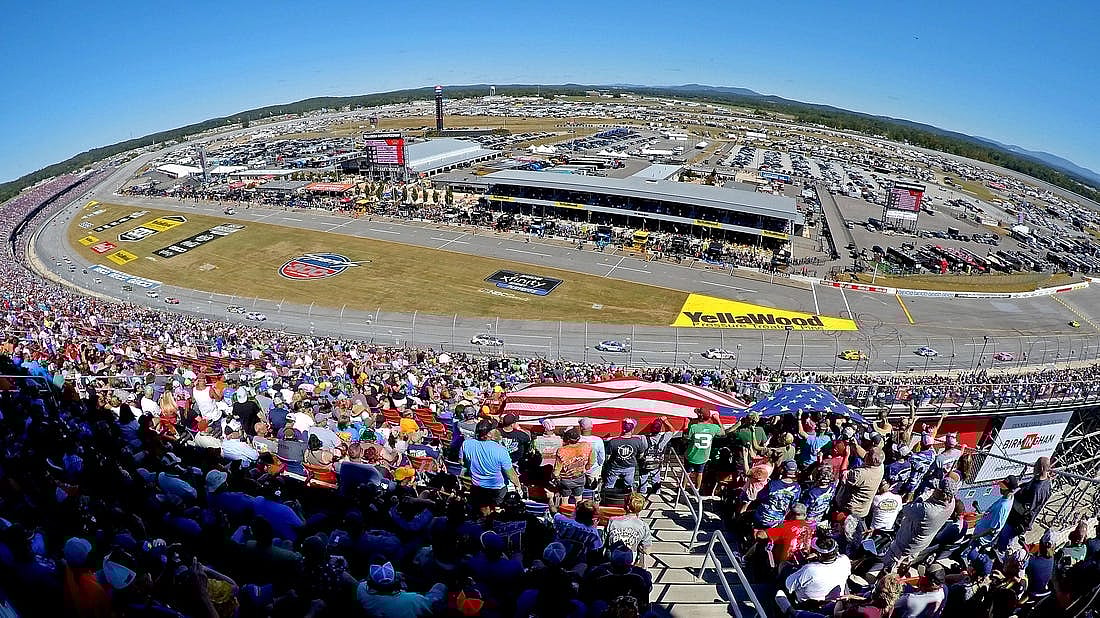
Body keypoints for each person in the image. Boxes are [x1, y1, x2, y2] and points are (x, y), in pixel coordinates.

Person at [882, 476, 958, 571]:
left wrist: (922, 498)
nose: (933, 490)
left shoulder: (926, 510)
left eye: (936, 488)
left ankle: (883, 581)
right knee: (906, 564)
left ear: (940, 493)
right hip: (920, 544)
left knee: (888, 567)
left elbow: (906, 509)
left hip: (904, 544)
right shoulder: (952, 503)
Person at [461, 418, 523, 516]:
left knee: (483, 511)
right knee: (491, 513)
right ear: (490, 433)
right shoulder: (501, 450)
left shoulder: (466, 444)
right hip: (496, 489)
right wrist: (518, 486)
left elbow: (462, 462)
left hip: (477, 487)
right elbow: (511, 474)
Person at [356, 561, 447, 617]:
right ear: (396, 582)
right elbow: (432, 606)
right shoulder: (414, 600)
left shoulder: (361, 589)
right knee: (440, 586)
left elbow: (361, 583)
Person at [999, 456, 1052, 550]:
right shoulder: (1042, 480)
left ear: (1042, 468)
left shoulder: (1038, 489)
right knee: (1006, 538)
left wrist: (1023, 526)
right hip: (1015, 516)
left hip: (1016, 520)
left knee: (1004, 539)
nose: (1034, 467)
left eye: (1036, 465)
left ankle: (1000, 554)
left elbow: (1031, 509)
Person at [784, 537, 851, 607]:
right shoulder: (845, 560)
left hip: (807, 605)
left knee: (783, 565)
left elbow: (788, 585)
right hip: (834, 603)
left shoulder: (809, 570)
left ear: (819, 554)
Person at [836, 448, 885, 520]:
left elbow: (843, 474)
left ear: (869, 459)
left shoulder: (860, 474)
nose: (866, 452)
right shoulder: (880, 466)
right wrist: (856, 446)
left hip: (849, 510)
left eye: (868, 453)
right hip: (863, 510)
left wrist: (846, 456)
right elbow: (866, 456)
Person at [605, 493, 654, 564]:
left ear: (626, 506)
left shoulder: (613, 521)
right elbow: (647, 550)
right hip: (630, 559)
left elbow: (605, 540)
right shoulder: (643, 526)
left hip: (611, 556)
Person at [754, 460, 803, 529]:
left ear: (782, 470)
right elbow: (793, 505)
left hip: (763, 517)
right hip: (778, 521)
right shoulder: (797, 488)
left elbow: (760, 496)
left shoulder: (772, 484)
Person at [971, 474, 1018, 546]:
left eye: (1003, 488)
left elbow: (992, 529)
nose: (1000, 488)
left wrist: (976, 536)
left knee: (968, 553)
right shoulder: (1009, 497)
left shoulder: (1003, 507)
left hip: (981, 537)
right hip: (982, 527)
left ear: (1010, 490)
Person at [833, 572, 903, 618]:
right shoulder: (890, 605)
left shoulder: (861, 611)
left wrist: (840, 600)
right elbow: (871, 601)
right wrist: (851, 597)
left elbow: (837, 614)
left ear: (874, 591)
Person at [554, 428, 595, 506]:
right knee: (579, 499)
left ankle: (565, 515)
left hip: (566, 479)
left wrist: (555, 477)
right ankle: (578, 515)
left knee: (565, 499)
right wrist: (586, 468)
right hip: (580, 477)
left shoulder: (562, 450)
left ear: (567, 438)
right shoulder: (586, 446)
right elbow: (592, 461)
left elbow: (556, 470)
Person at [603, 418, 646, 490]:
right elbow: (641, 455)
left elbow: (607, 457)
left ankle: (607, 498)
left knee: (609, 486)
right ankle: (630, 498)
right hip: (629, 467)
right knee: (629, 486)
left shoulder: (613, 442)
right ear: (632, 430)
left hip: (615, 467)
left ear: (622, 429)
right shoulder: (637, 441)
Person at [684, 410, 722, 489]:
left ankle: (683, 487)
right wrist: (718, 420)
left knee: (687, 472)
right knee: (700, 473)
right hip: (703, 457)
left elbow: (686, 437)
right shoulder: (714, 428)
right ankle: (697, 489)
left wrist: (686, 424)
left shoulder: (694, 427)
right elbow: (723, 432)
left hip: (691, 455)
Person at [577, 418, 606, 487]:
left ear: (580, 427)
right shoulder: (598, 440)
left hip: (579, 469)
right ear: (591, 427)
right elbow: (602, 457)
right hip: (594, 468)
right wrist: (599, 465)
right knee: (593, 489)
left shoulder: (577, 440)